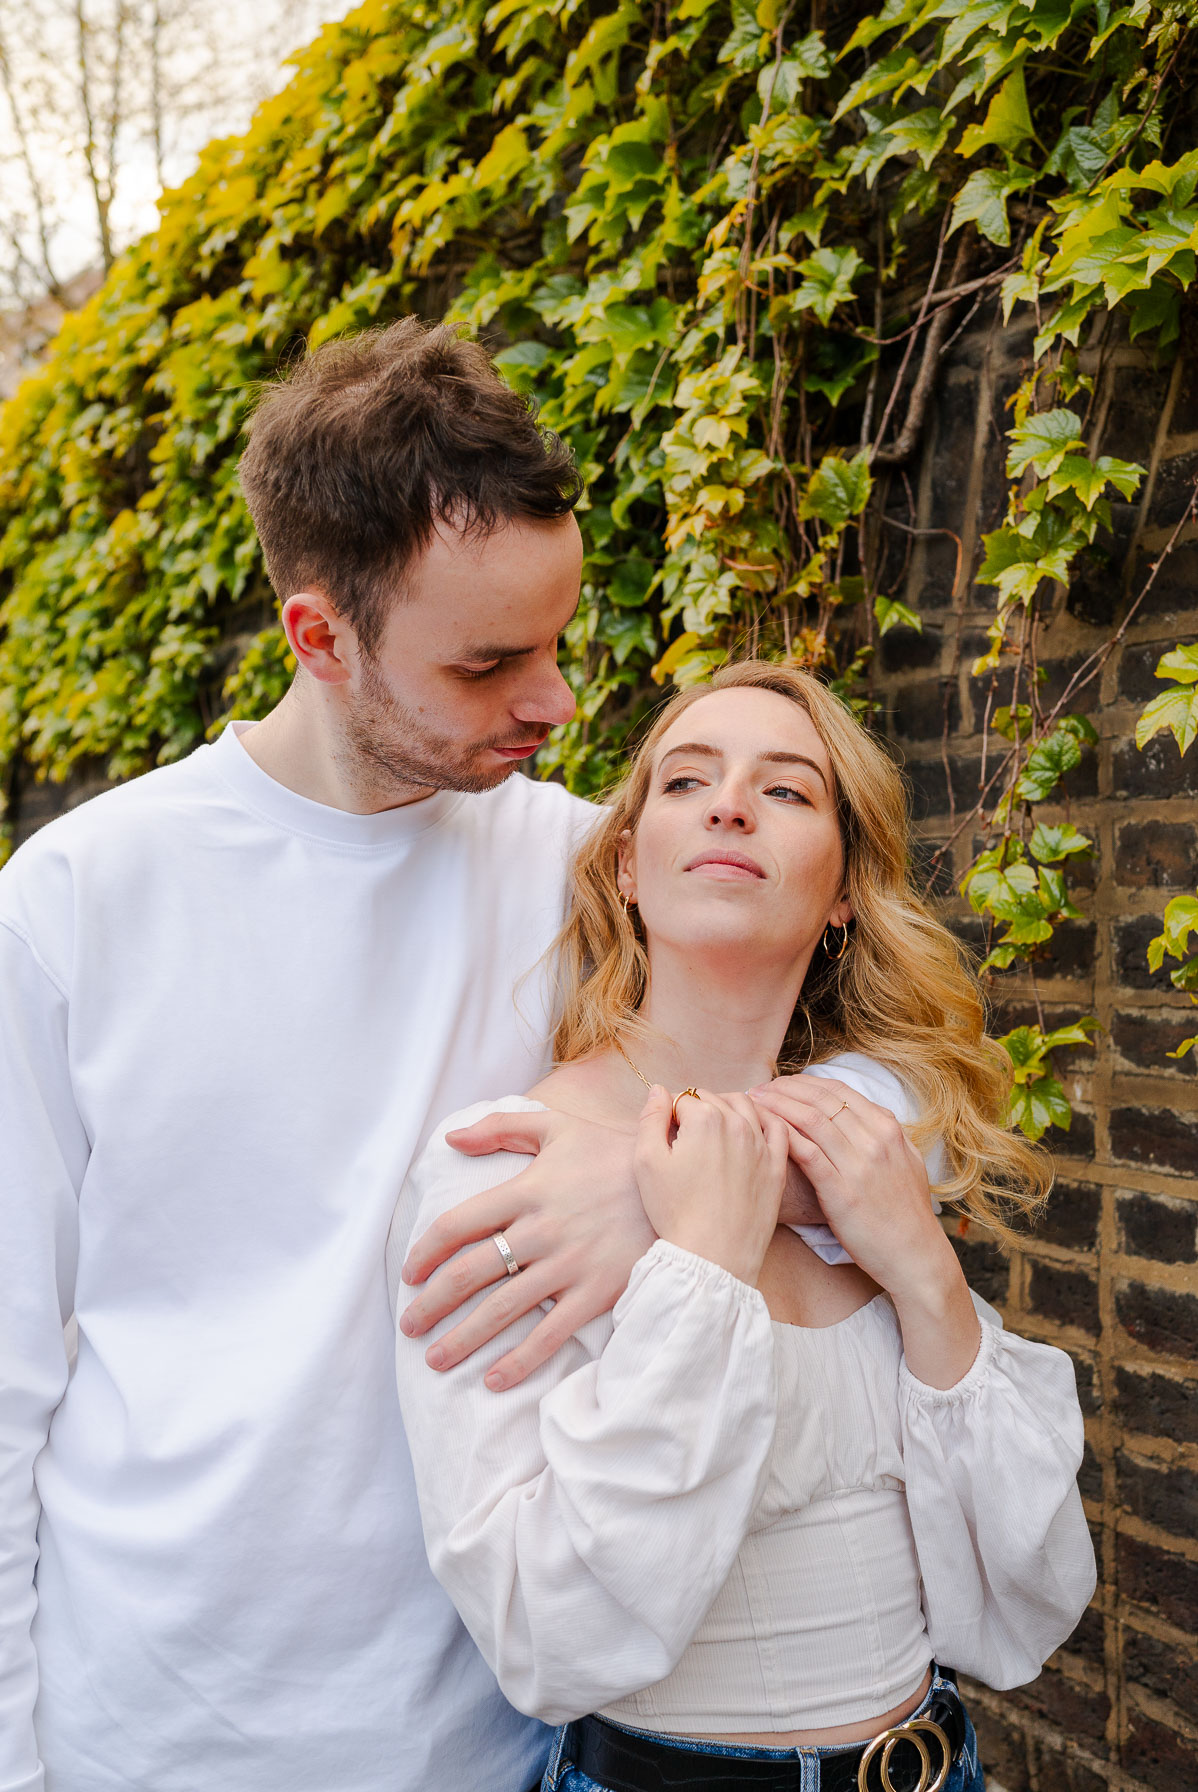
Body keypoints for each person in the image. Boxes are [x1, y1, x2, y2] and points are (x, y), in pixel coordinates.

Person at [0, 318, 669, 1792]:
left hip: (499, 1743)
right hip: (153, 1737)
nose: (554, 702)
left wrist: (651, 1176)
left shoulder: (583, 872)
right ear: (318, 635)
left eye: (560, 641)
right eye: (492, 662)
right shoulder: (75, 903)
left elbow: (887, 1068)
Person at [391, 662, 1097, 1792]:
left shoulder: (864, 1151)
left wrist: (921, 1272)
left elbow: (1027, 1601)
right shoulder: (505, 1169)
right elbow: (543, 1636)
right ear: (626, 865)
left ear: (841, 894)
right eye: (685, 781)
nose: (728, 804)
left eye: (786, 792)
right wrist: (699, 1276)